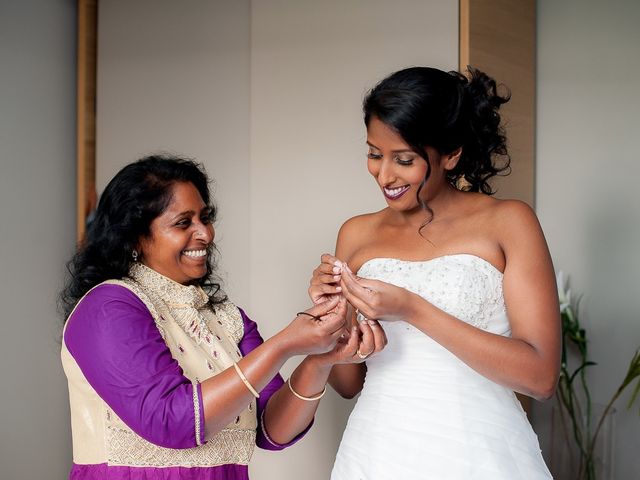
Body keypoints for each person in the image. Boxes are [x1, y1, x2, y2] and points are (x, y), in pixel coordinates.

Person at [59, 155, 387, 479]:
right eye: (183, 223)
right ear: (135, 238)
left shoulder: (227, 318)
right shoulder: (108, 307)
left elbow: (274, 431)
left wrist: (320, 360)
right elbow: (171, 422)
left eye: (205, 217)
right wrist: (284, 344)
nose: (205, 233)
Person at [309, 67, 560, 479]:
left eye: (404, 159)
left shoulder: (510, 222)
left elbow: (541, 377)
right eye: (375, 154)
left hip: (479, 449)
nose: (384, 175)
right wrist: (329, 315)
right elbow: (349, 381)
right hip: (378, 449)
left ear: (451, 154)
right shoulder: (355, 233)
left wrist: (413, 309)